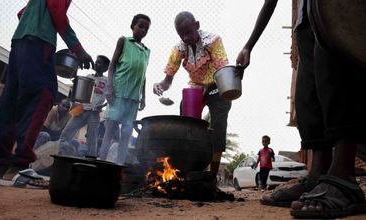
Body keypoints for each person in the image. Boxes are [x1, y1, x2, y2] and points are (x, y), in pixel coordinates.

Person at [237, 0, 366, 218]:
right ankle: (318, 173)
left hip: (336, 6)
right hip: (306, 17)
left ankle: (343, 174)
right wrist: (249, 45)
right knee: (308, 93)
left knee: (336, 75)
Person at [0, 0, 94, 182]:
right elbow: (56, 10)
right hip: (40, 44)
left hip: (19, 43)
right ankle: (19, 166)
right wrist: (77, 49)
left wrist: (34, 23)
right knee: (41, 96)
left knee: (11, 100)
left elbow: (22, 13)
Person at [153, 11, 230, 176]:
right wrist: (160, 86)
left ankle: (212, 175)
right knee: (187, 126)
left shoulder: (213, 40)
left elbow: (223, 71)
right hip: (195, 88)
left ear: (197, 26)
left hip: (218, 86)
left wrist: (207, 89)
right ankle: (187, 169)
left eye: (188, 32)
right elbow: (168, 80)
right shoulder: (179, 49)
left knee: (218, 128)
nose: (185, 38)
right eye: (181, 34)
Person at [99, 14, 151, 165]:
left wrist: (144, 97)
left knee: (126, 133)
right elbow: (112, 65)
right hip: (118, 93)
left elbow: (144, 75)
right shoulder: (124, 41)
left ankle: (119, 166)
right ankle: (101, 163)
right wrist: (109, 87)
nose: (143, 30)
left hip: (134, 98)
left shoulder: (146, 51)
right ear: (133, 26)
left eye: (146, 28)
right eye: (140, 26)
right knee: (110, 129)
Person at [58, 55, 110, 157]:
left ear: (105, 68)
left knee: (92, 137)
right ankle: (60, 153)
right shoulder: (88, 77)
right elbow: (77, 92)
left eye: (99, 63)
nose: (95, 64)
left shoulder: (107, 81)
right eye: (96, 62)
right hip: (81, 109)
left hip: (94, 113)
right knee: (67, 131)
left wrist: (102, 106)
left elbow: (111, 97)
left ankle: (91, 158)